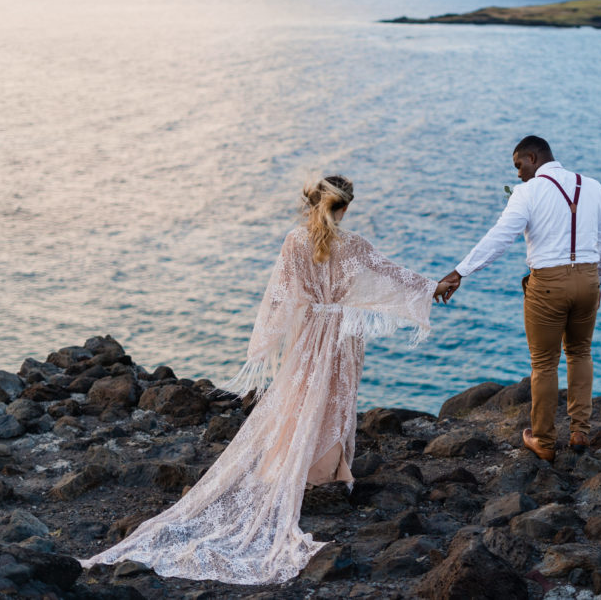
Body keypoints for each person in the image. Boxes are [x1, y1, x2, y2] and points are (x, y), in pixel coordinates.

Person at [77, 175, 454, 585]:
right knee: (334, 397)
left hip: (308, 330)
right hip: (341, 334)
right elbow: (392, 275)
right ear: (344, 207)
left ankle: (290, 463)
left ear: (311, 204)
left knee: (299, 394)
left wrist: (267, 343)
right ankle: (327, 472)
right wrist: (434, 287)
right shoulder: (355, 244)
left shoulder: (295, 241)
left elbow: (280, 294)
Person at [439, 136, 601, 462]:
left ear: (533, 158)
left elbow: (501, 237)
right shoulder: (593, 186)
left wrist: (460, 272)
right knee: (580, 352)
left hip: (547, 285)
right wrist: (596, 280)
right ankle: (580, 432)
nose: (518, 175)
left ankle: (545, 442)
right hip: (589, 280)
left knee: (545, 364)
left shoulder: (528, 192)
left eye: (519, 166)